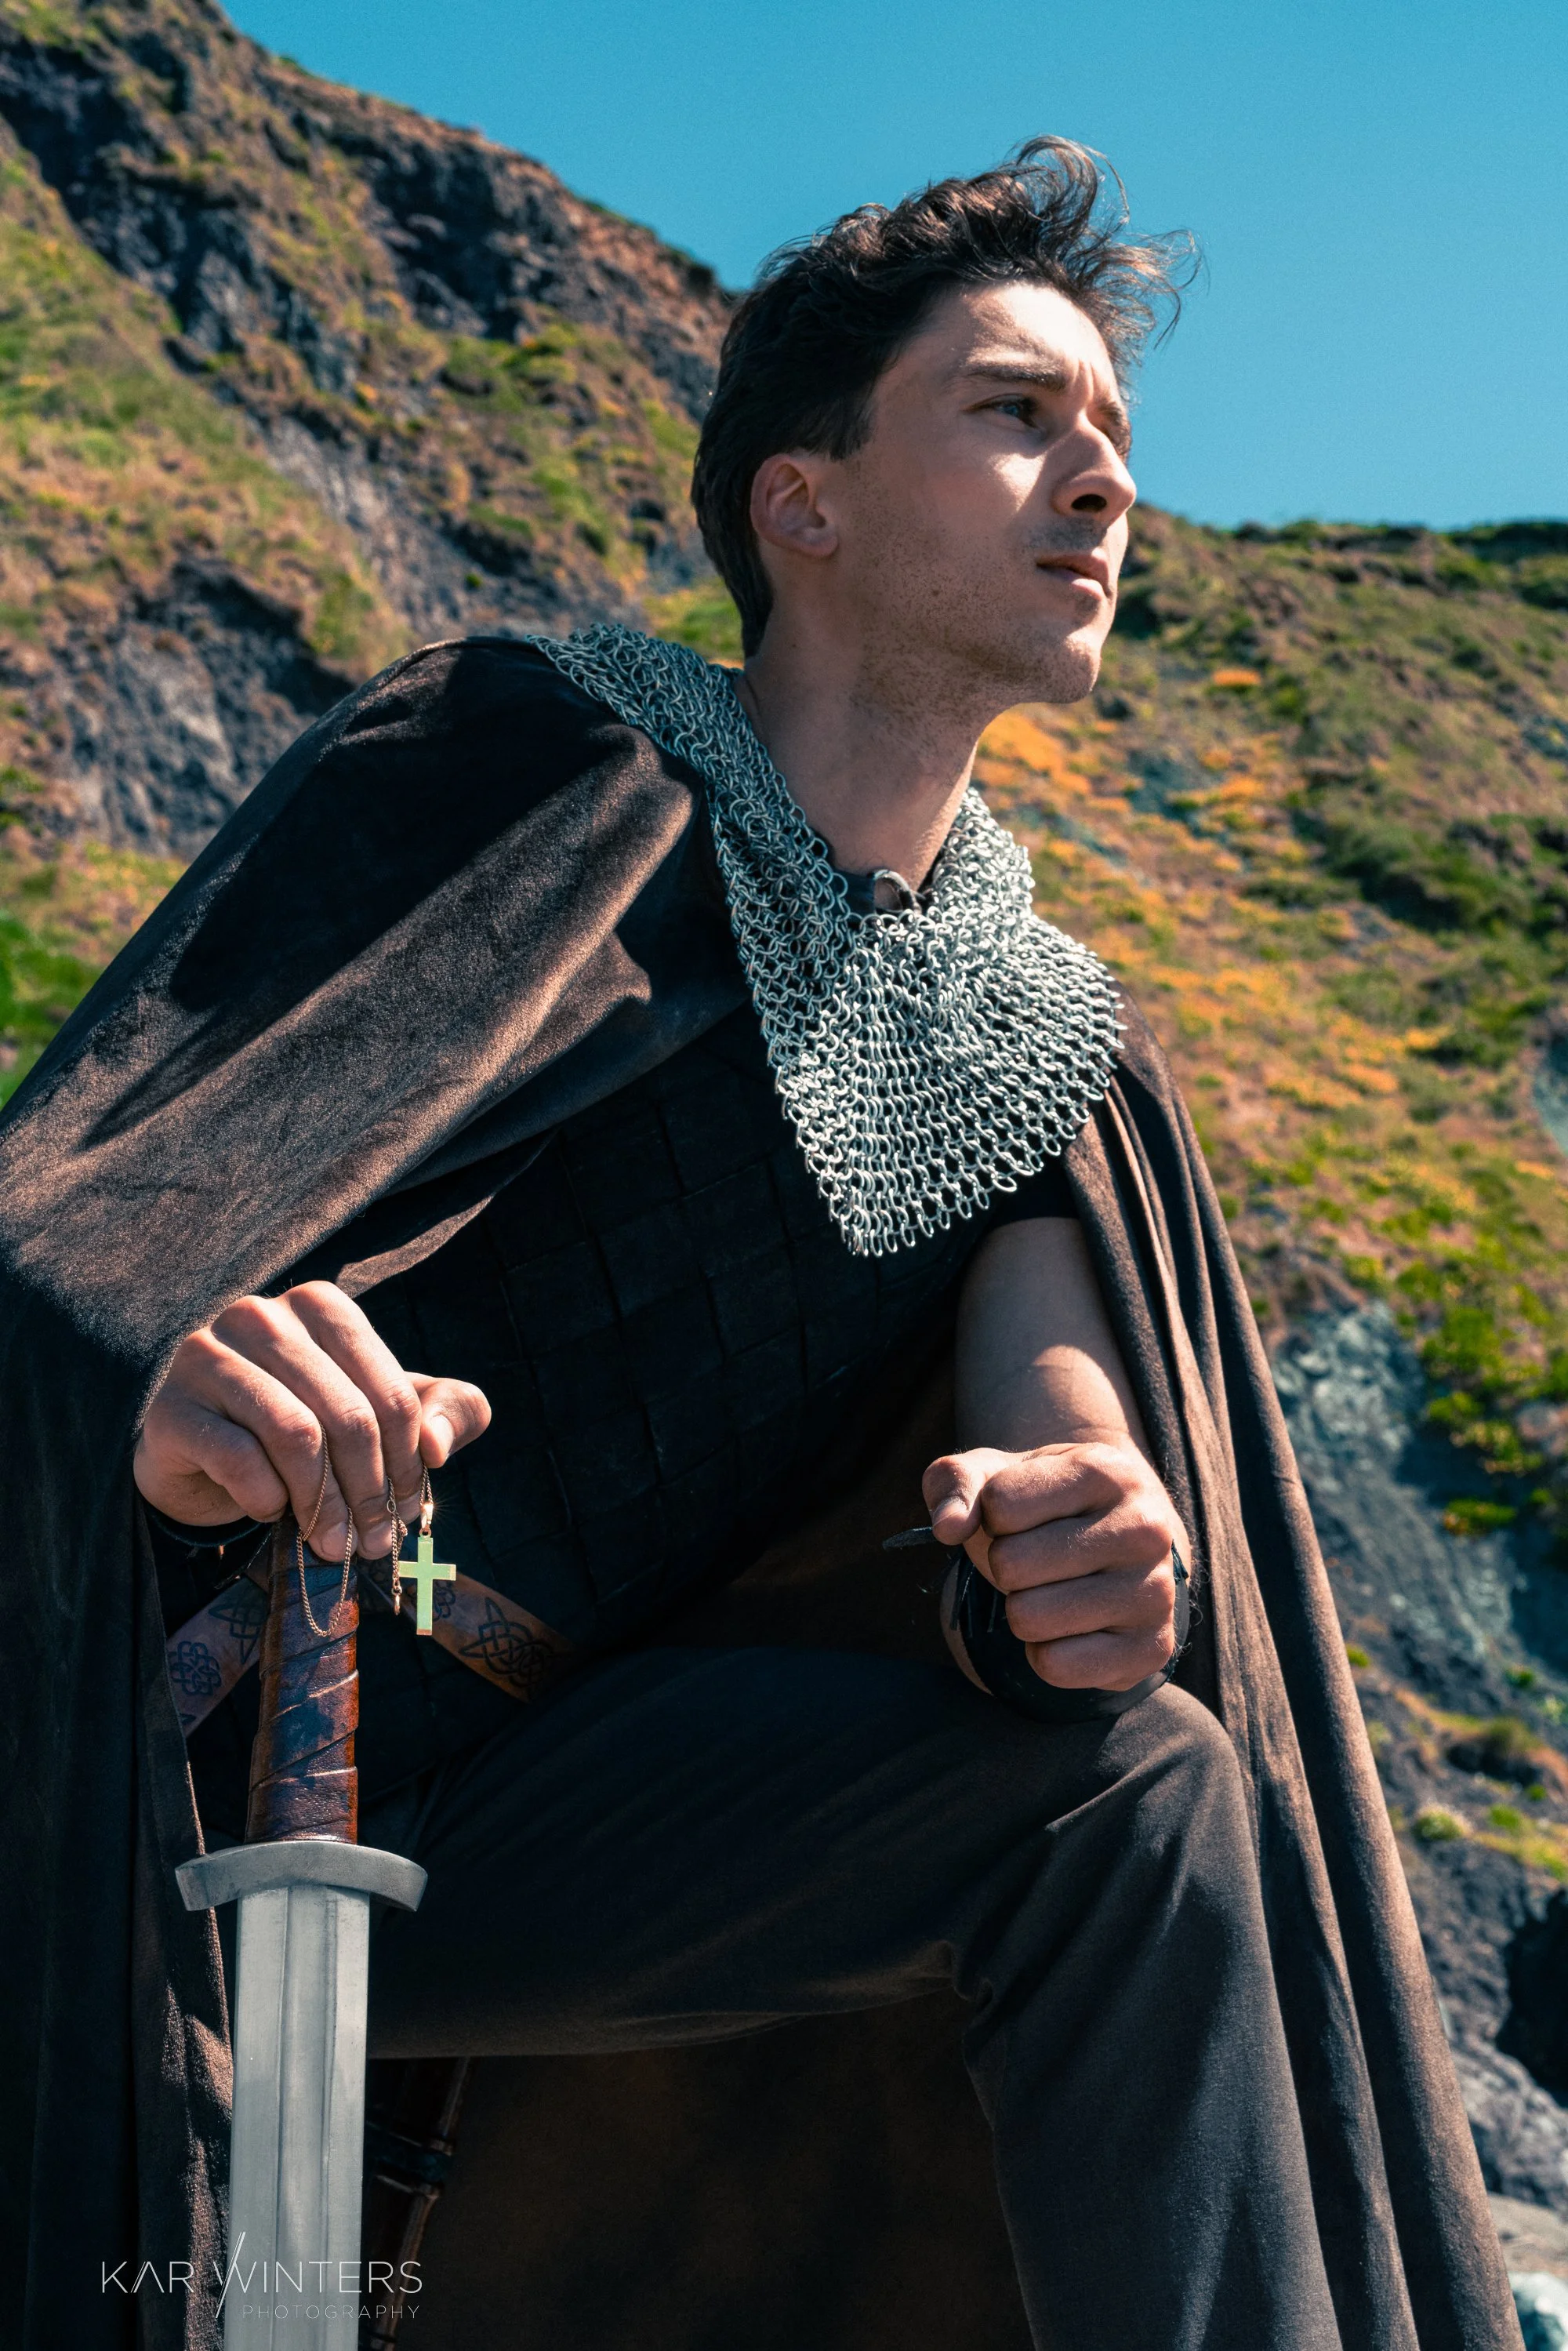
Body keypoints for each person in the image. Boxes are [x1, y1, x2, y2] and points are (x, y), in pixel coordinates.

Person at [0, 140, 1515, 2351]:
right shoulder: (521, 764)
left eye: (1115, 435)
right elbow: (88, 1196)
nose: (1097, 478)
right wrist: (160, 1379)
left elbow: (1053, 1380)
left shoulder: (1045, 1044)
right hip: (153, 1759)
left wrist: (1084, 1523)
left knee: (1136, 1788)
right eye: (1015, 412)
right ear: (799, 504)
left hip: (543, 1834)